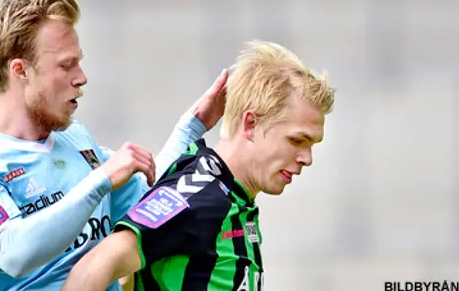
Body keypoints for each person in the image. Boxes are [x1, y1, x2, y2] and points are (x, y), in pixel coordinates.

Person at [0, 0, 229, 291]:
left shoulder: (77, 140)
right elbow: (10, 253)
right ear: (20, 70)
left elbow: (149, 201)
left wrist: (194, 125)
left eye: (79, 62)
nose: (81, 77)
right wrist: (99, 182)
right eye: (66, 65)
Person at [62, 40, 336, 291]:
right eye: (297, 140)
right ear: (251, 124)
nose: (307, 158)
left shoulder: (233, 197)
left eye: (312, 144)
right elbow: (96, 264)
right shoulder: (199, 198)